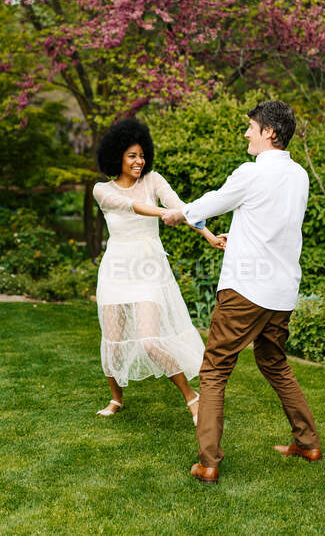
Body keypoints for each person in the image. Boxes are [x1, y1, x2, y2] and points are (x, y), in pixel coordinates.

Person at [162, 100, 322, 484]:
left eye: (251, 126)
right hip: (281, 292)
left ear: (269, 132)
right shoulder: (299, 176)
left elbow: (208, 204)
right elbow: (275, 226)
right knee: (274, 362)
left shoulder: (250, 173)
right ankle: (308, 442)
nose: (247, 133)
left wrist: (177, 213)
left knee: (214, 370)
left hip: (246, 291)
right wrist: (239, 236)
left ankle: (208, 463)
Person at [93, 118, 225, 426]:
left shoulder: (153, 180)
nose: (139, 161)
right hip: (117, 269)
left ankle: (192, 397)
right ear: (117, 157)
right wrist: (167, 214)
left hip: (149, 267)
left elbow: (182, 206)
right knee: (112, 341)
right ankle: (116, 399)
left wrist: (207, 233)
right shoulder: (103, 190)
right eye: (131, 156)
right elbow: (130, 207)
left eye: (141, 155)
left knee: (150, 341)